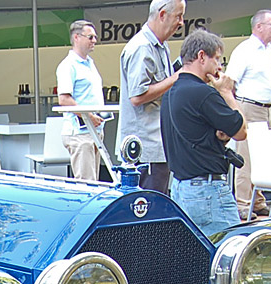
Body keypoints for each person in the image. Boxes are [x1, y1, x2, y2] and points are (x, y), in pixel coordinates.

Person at [161, 29, 246, 235]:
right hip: (208, 190)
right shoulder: (204, 93)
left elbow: (195, 135)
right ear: (201, 56)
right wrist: (226, 92)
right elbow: (241, 130)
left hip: (181, 189)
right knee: (231, 251)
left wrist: (219, 136)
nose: (219, 66)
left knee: (194, 258)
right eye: (217, 59)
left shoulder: (169, 94)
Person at [119, 0, 186, 193]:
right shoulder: (142, 47)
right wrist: (175, 78)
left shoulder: (160, 46)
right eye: (178, 16)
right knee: (147, 210)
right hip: (145, 150)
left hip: (157, 146)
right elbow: (137, 96)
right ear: (162, 14)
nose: (181, 22)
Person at [226, 9, 271, 219]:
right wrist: (235, 110)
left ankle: (258, 201)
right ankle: (242, 203)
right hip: (248, 107)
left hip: (265, 109)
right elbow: (229, 82)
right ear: (258, 26)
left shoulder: (267, 49)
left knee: (263, 156)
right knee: (246, 157)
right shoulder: (246, 50)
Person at [56, 20, 106, 181]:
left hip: (94, 131)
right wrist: (89, 116)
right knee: (87, 184)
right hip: (79, 132)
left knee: (93, 183)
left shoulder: (90, 63)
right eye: (90, 37)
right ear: (76, 37)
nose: (94, 41)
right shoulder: (68, 66)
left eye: (95, 37)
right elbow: (64, 99)